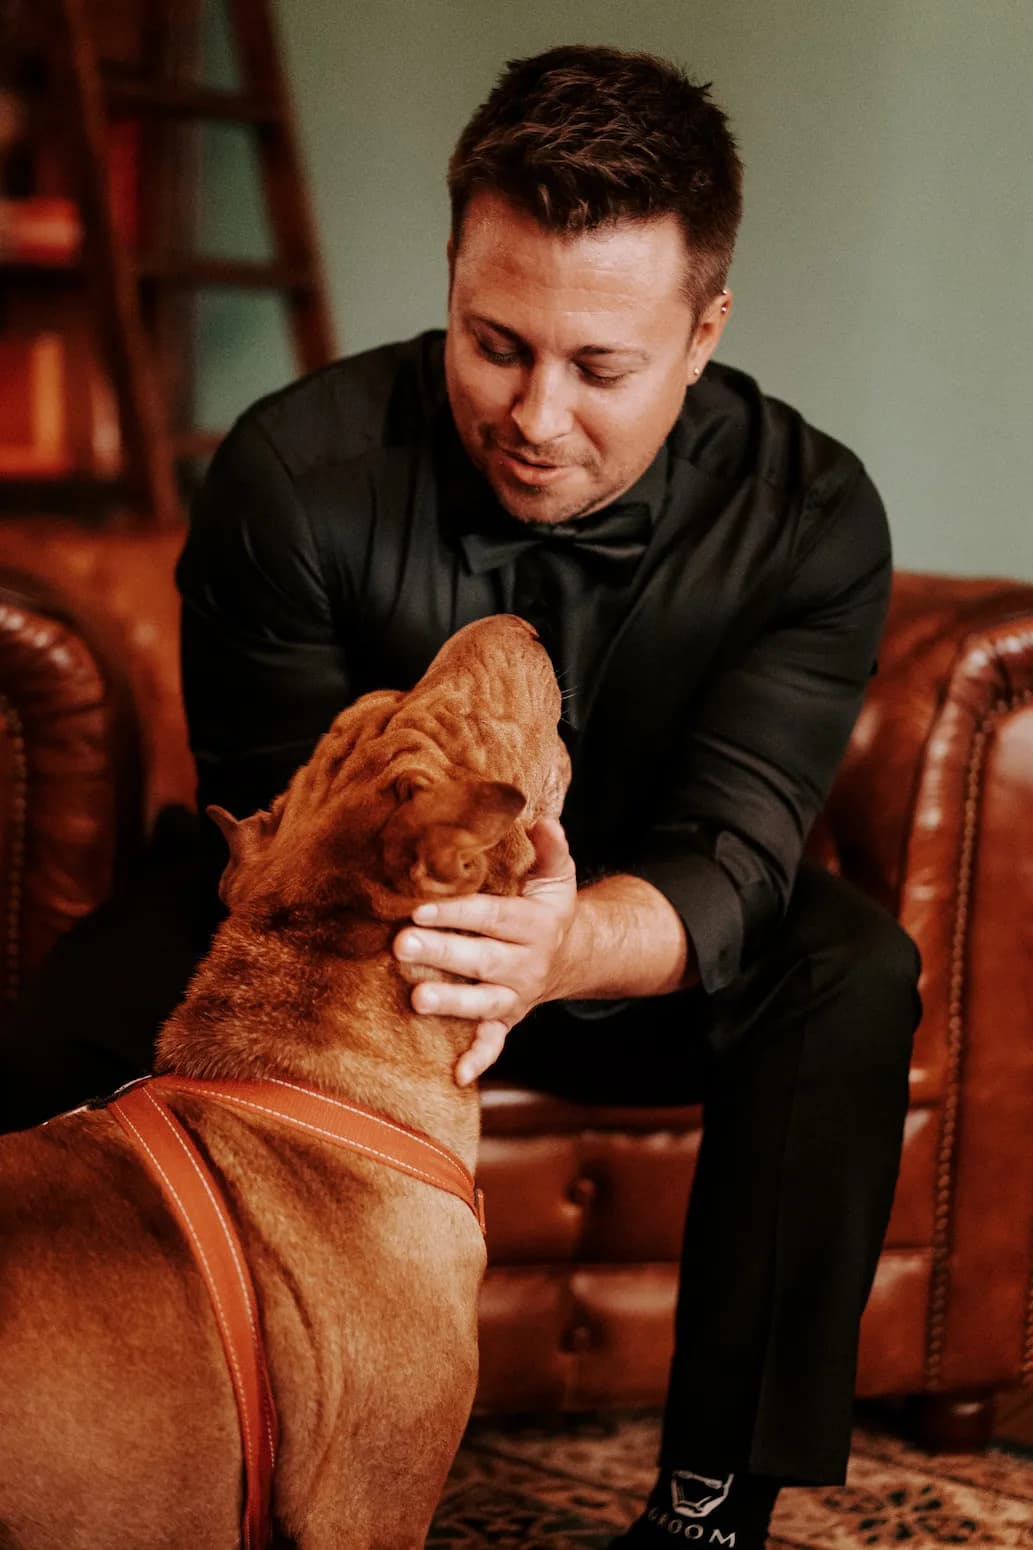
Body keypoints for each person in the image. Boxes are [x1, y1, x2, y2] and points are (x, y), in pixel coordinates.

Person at [5, 45, 922, 1549]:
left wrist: (558, 947)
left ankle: (709, 1507)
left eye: (600, 367)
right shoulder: (293, 473)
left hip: (627, 945)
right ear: (451, 274)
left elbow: (738, 850)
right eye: (495, 344)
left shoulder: (812, 517)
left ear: (704, 333)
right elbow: (289, 840)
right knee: (65, 1017)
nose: (536, 415)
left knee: (848, 974)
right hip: (337, 941)